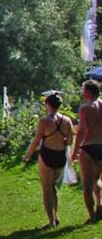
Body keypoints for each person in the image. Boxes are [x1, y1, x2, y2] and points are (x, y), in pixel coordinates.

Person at [23, 91, 73, 229]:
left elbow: (36, 141)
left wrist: (27, 156)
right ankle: (56, 216)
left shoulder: (45, 121)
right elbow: (69, 141)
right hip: (60, 156)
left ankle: (51, 221)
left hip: (47, 155)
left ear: (48, 105)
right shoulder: (67, 121)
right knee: (53, 188)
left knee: (47, 189)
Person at [73, 80, 102, 223]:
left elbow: (81, 131)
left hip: (89, 146)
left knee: (87, 185)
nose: (82, 92)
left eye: (83, 90)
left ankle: (92, 216)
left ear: (89, 92)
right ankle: (99, 205)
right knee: (97, 179)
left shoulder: (85, 108)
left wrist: (74, 151)